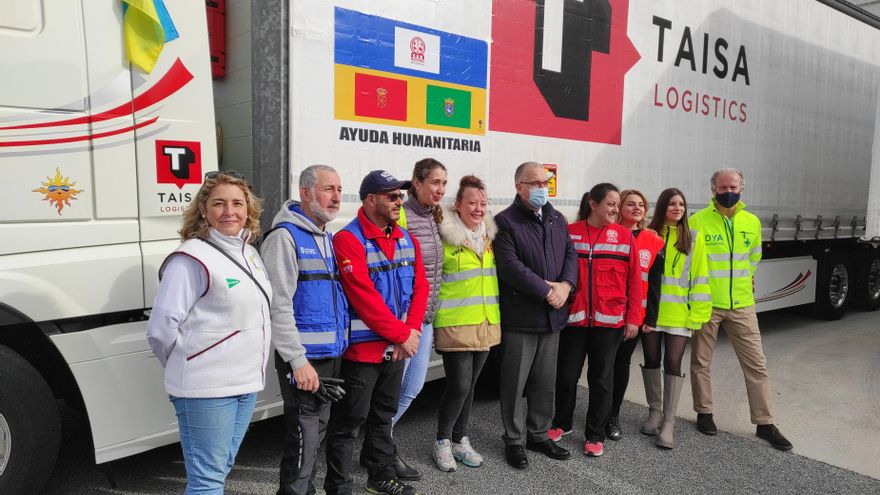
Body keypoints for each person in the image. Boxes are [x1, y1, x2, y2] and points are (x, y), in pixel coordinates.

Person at [146, 170, 271, 494]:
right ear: (204, 210)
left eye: (237, 203)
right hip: (207, 389)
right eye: (219, 203)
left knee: (219, 470)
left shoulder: (249, 253)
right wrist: (189, 361)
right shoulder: (190, 258)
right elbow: (161, 328)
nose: (229, 212)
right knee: (207, 481)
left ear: (248, 209)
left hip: (245, 383)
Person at [324, 170, 429, 495]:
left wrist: (409, 332)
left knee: (383, 416)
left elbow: (420, 287)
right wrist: (403, 335)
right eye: (392, 196)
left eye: (400, 195)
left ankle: (380, 476)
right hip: (364, 354)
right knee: (348, 424)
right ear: (371, 200)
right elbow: (364, 298)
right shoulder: (348, 240)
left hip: (397, 348)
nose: (400, 201)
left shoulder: (405, 237)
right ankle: (339, 487)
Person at [688, 168, 793, 451]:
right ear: (713, 189)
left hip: (742, 305)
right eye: (722, 187)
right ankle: (705, 412)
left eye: (733, 186)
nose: (728, 191)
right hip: (707, 304)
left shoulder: (751, 222)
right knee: (701, 362)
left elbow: (754, 256)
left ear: (741, 187)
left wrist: (742, 282)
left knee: (756, 364)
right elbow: (690, 263)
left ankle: (765, 422)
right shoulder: (697, 221)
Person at [261, 164, 348, 495]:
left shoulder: (324, 236)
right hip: (306, 362)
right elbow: (278, 305)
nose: (336, 197)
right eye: (328, 189)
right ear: (306, 192)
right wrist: (297, 361)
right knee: (302, 443)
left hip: (329, 357)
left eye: (339, 189)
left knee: (314, 440)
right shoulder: (284, 238)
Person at [493, 161, 578, 470]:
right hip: (523, 316)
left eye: (546, 182)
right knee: (515, 383)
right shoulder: (505, 222)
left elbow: (570, 254)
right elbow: (511, 267)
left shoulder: (557, 218)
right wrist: (548, 291)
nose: (543, 188)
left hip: (553, 316)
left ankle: (538, 434)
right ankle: (514, 440)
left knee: (545, 381)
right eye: (536, 183)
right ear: (519, 187)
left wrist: (567, 286)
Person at [551, 183, 642, 458]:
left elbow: (635, 281)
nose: (616, 209)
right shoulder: (571, 233)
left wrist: (633, 319)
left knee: (601, 379)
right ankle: (562, 423)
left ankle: (594, 434)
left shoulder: (625, 237)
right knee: (566, 376)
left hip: (610, 323)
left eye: (617, 204)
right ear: (593, 203)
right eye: (611, 204)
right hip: (574, 322)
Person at [431, 175, 501, 472]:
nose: (478, 208)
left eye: (483, 203)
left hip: (485, 322)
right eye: (471, 202)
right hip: (455, 322)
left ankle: (460, 439)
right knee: (458, 385)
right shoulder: (444, 236)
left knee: (471, 385)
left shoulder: (489, 237)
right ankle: (442, 441)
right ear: (457, 204)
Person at [387, 158, 447, 480]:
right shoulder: (404, 217)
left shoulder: (434, 218)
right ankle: (380, 447)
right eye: (435, 182)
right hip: (406, 323)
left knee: (412, 387)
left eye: (444, 184)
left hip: (425, 320)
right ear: (417, 182)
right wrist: (402, 326)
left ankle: (379, 438)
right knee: (394, 389)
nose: (440, 189)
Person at [641, 188, 712, 449]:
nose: (677, 208)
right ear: (662, 208)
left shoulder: (694, 237)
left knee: (673, 363)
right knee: (650, 360)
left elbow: (700, 279)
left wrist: (697, 316)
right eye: (672, 204)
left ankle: (669, 422)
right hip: (651, 313)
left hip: (679, 315)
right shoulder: (649, 235)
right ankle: (654, 412)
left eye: (681, 204)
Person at [605, 189, 664, 441]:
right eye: (630, 204)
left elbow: (654, 283)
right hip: (606, 313)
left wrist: (650, 319)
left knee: (620, 365)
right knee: (602, 366)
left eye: (641, 204)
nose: (637, 208)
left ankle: (613, 416)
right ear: (619, 208)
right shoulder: (608, 235)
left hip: (634, 317)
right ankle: (597, 413)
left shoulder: (653, 240)